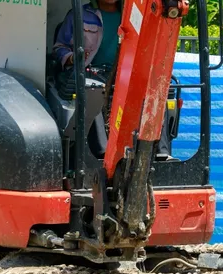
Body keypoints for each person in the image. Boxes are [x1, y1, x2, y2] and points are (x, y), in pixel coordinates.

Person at [51, 0, 178, 160]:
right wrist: (72, 58)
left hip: (123, 74)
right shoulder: (80, 15)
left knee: (155, 92)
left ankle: (161, 153)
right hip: (91, 72)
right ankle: (103, 155)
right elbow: (59, 47)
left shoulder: (133, 15)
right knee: (93, 91)